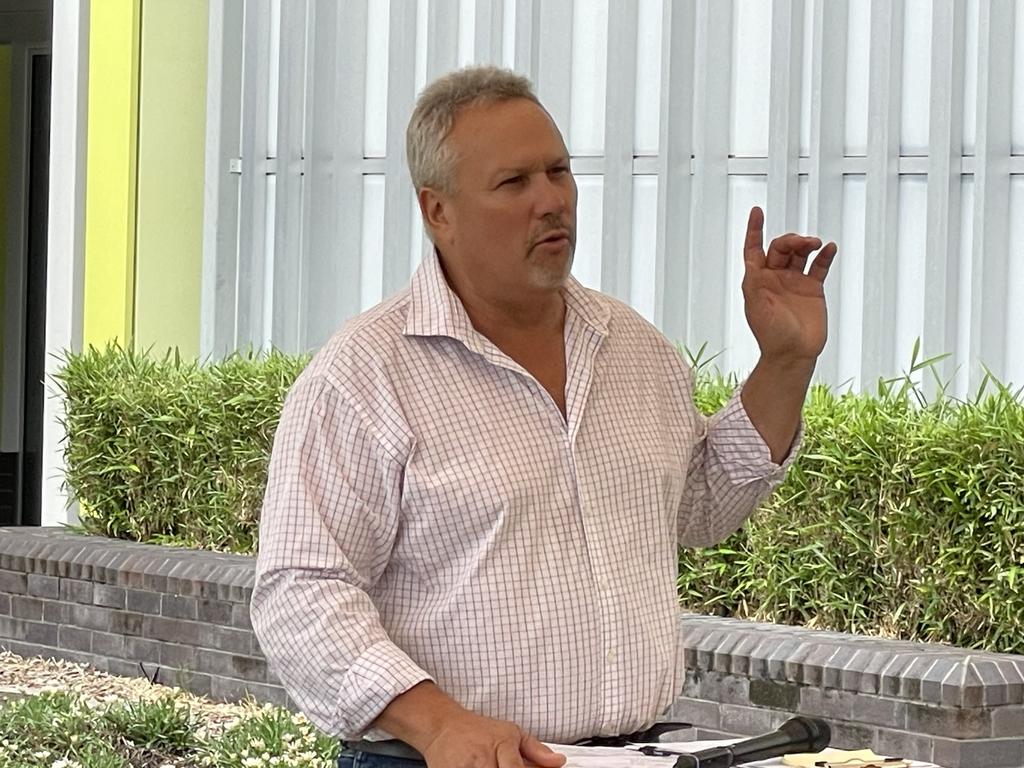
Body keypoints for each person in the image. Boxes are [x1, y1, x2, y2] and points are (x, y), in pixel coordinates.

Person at [251, 65, 837, 768]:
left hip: (636, 753)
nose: (552, 201)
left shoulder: (634, 348)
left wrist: (785, 363)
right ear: (437, 211)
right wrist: (437, 724)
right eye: (514, 183)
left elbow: (700, 508)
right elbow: (301, 590)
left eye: (558, 171)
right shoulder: (364, 375)